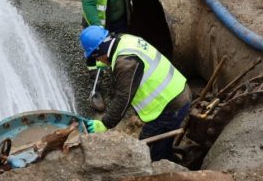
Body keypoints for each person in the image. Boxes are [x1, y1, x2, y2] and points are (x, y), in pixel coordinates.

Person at [79, 26, 191, 161]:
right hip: (178, 90)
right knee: (162, 145)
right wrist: (110, 64)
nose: (97, 61)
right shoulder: (125, 39)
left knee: (148, 154)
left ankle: (165, 168)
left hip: (170, 106)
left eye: (96, 58)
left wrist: (105, 123)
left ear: (101, 51)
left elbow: (123, 97)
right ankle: (171, 159)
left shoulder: (126, 63)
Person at [76, 0, 159, 111]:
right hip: (97, 24)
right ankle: (96, 89)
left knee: (119, 50)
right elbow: (89, 5)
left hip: (120, 17)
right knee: (94, 56)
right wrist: (97, 28)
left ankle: (119, 83)